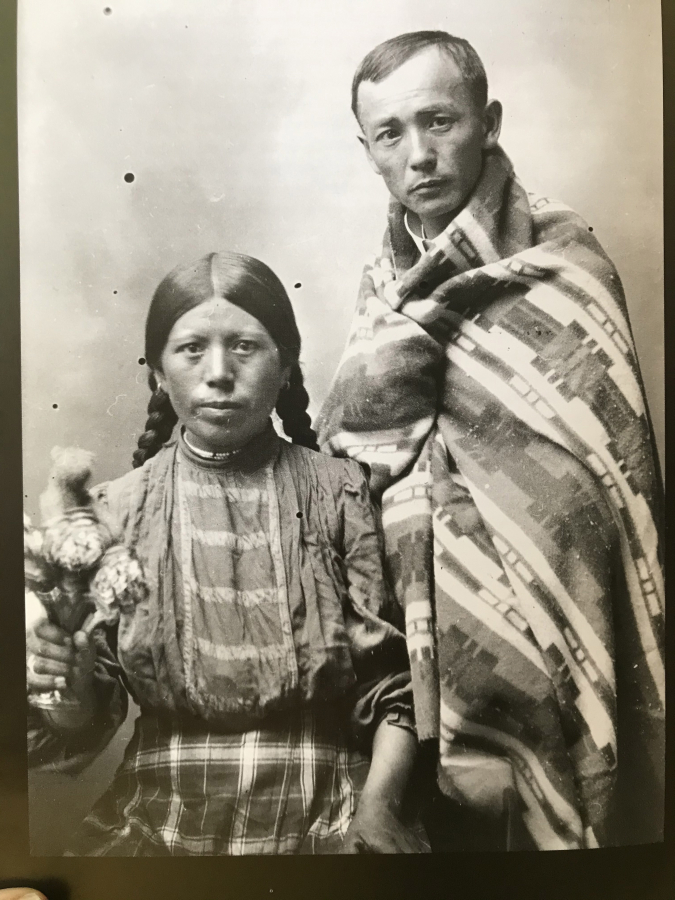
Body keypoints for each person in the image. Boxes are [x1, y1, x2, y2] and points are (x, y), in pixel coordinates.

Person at [317, 31, 665, 849]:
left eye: (439, 121)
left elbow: (599, 476)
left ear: (489, 121)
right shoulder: (384, 290)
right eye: (391, 133)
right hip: (435, 623)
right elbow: (356, 447)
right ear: (365, 149)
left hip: (560, 591)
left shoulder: (565, 259)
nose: (420, 154)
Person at [26, 251, 428, 856]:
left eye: (245, 346)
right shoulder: (115, 511)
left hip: (331, 814)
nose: (218, 372)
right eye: (191, 349)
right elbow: (84, 715)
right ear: (158, 372)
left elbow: (394, 686)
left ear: (286, 365)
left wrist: (377, 808)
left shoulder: (339, 493)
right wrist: (73, 690)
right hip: (157, 827)